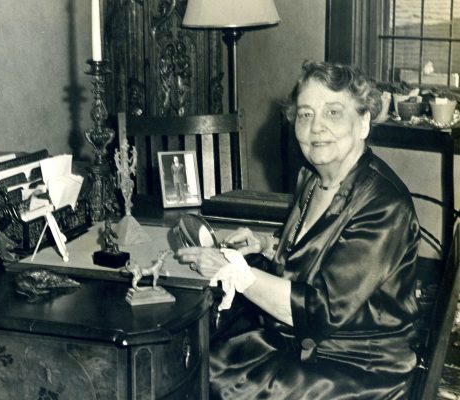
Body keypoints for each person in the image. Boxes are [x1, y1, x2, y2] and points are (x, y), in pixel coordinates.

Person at [176, 60, 421, 399]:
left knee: (214, 375)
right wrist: (267, 245)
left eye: (333, 112)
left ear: (363, 122)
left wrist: (235, 272)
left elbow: (323, 311)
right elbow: (321, 251)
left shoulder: (384, 204)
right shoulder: (312, 178)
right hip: (306, 342)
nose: (316, 127)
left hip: (358, 365)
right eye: (305, 114)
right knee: (206, 349)